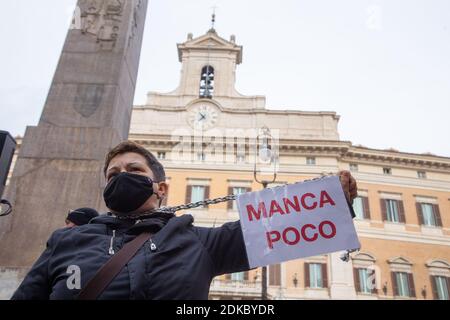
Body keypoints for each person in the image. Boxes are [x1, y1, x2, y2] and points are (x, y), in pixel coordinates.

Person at [12, 141, 357, 300]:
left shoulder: (198, 242)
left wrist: (329, 202)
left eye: (134, 170)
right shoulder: (65, 241)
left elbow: (264, 230)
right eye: (113, 174)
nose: (121, 177)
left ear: (160, 187)